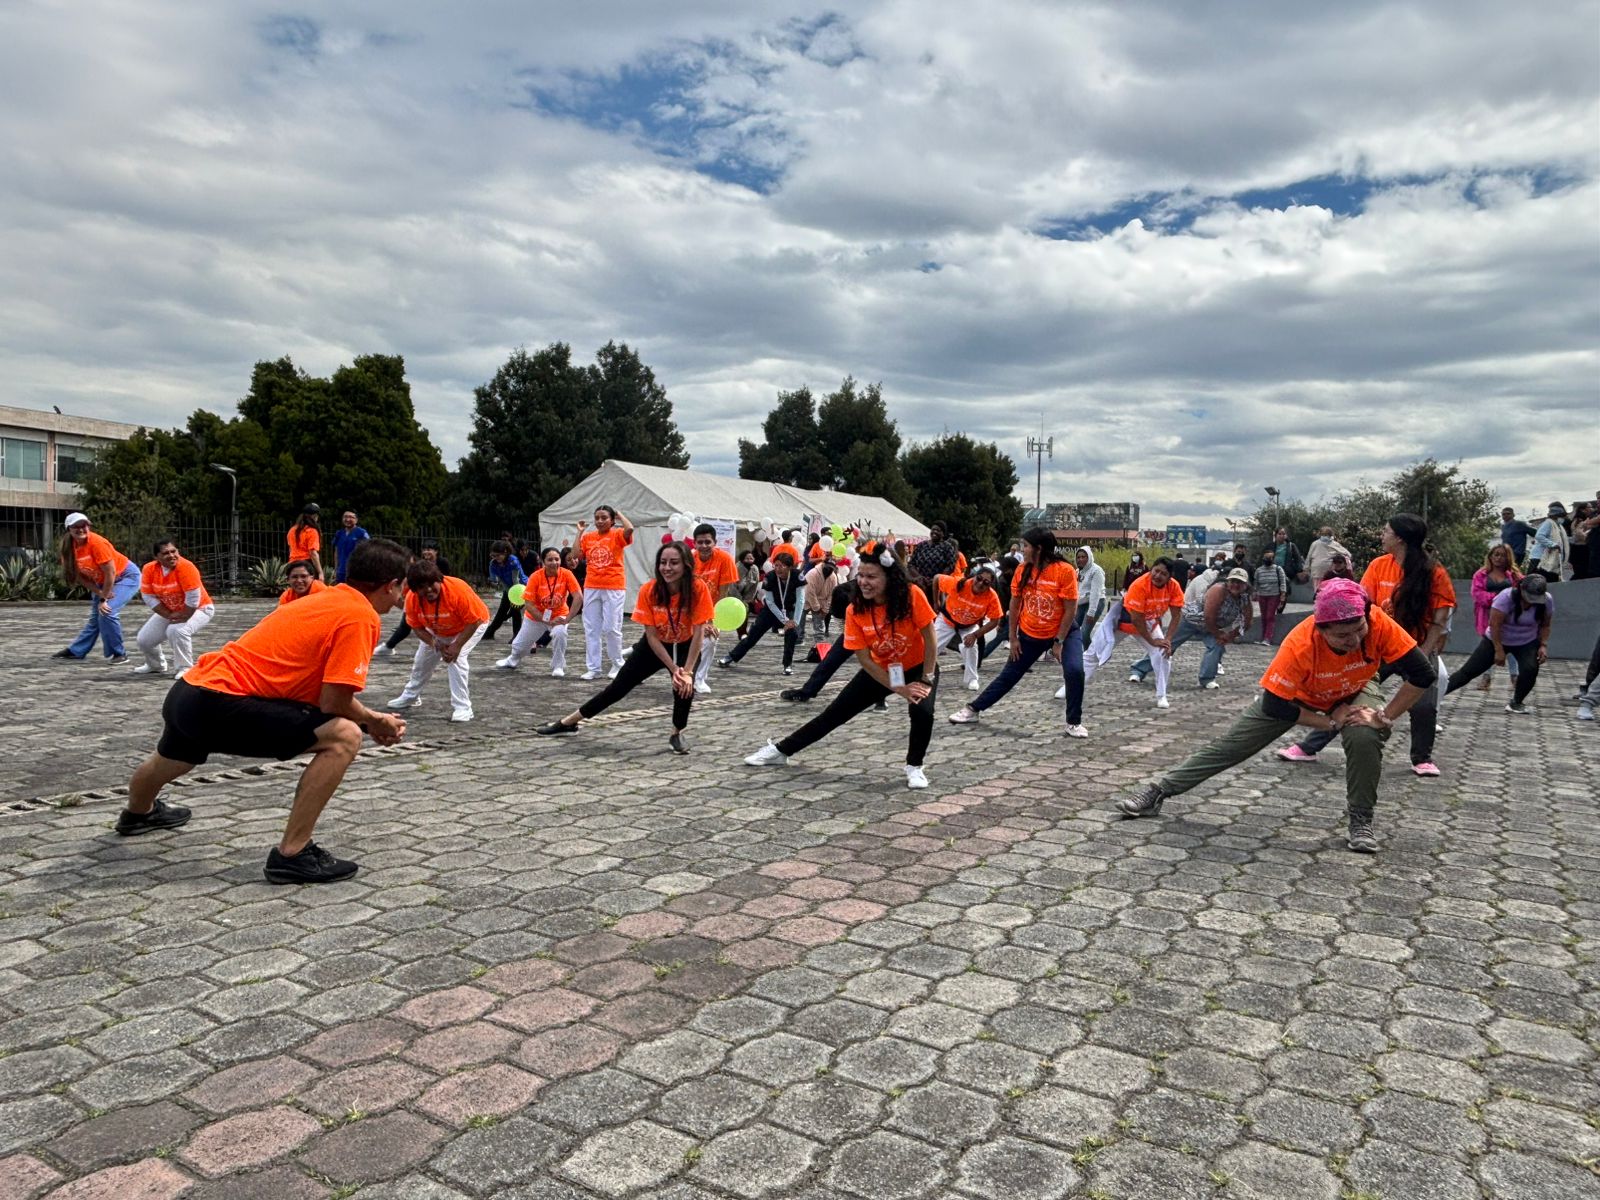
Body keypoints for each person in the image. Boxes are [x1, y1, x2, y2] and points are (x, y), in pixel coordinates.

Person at [118, 538, 411, 884]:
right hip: (220, 703)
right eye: (404, 587)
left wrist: (364, 717)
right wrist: (375, 720)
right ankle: (293, 854)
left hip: (190, 692)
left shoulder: (324, 598)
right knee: (343, 736)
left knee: (175, 756)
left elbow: (319, 692)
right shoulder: (360, 615)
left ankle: (138, 814)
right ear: (391, 585)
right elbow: (334, 702)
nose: (403, 596)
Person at [1118, 578, 1436, 853]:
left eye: (1358, 630)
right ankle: (1159, 791)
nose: (1353, 641)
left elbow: (1421, 674)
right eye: (1342, 636)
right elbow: (1275, 706)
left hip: (1355, 687)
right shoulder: (1299, 644)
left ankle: (1361, 820)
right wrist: (1330, 721)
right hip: (1298, 698)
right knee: (1232, 745)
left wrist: (1383, 716)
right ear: (1320, 628)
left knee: (1364, 735)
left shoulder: (1377, 622)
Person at [745, 542, 940, 788]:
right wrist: (900, 688)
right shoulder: (855, 610)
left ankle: (914, 767)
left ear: (889, 578)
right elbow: (865, 659)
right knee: (834, 713)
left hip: (920, 666)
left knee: (923, 712)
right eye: (861, 576)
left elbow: (930, 636)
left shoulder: (911, 595)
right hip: (883, 668)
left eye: (872, 577)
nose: (864, 582)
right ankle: (780, 751)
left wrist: (926, 677)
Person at [1280, 512, 1454, 776]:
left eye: (1385, 531)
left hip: (1416, 647)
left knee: (1425, 704)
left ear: (1399, 538)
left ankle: (1422, 759)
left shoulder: (1433, 572)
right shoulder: (1379, 565)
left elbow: (1440, 618)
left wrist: (1425, 651)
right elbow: (1362, 606)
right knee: (1349, 694)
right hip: (1379, 646)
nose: (1381, 536)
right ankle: (1308, 747)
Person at [537, 542, 712, 755]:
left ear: (686, 565)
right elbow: (651, 636)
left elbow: (699, 632)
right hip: (654, 646)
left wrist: (687, 672)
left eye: (674, 563)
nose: (667, 568)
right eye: (663, 563)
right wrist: (674, 669)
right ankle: (569, 722)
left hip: (686, 644)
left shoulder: (697, 588)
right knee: (618, 687)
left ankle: (677, 732)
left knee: (685, 689)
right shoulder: (650, 589)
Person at [948, 528, 1086, 736]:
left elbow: (1070, 609)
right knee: (1009, 675)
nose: (1023, 549)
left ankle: (1073, 722)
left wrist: (1059, 642)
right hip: (1031, 634)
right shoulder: (1023, 570)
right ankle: (973, 709)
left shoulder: (1064, 571)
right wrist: (1013, 638)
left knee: (1075, 671)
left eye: (1026, 546)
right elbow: (1015, 604)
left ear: (1039, 549)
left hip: (1064, 632)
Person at [386, 560, 490, 722]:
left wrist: (456, 646)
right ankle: (411, 696)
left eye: (431, 584)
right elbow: (417, 627)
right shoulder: (412, 600)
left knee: (456, 659)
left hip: (470, 625)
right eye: (421, 587)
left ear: (439, 579)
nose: (428, 590)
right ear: (414, 590)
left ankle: (463, 707)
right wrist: (434, 643)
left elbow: (473, 622)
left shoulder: (457, 590)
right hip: (437, 630)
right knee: (421, 661)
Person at [1129, 566, 1252, 691]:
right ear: (1227, 581)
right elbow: (1208, 616)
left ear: (1246, 585)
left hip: (1212, 627)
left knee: (1216, 647)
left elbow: (1247, 621)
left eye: (1240, 582)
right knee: (1167, 644)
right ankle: (1139, 670)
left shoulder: (1245, 598)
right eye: (1233, 581)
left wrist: (1230, 636)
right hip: (1191, 621)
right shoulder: (1218, 589)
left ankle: (1207, 679)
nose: (1235, 585)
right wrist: (1218, 634)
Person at [1444, 574, 1552, 714]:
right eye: (1528, 597)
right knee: (1469, 671)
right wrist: (1498, 650)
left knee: (1530, 669)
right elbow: (1494, 624)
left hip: (1527, 641)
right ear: (1521, 589)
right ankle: (1434, 695)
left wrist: (1543, 645)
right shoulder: (1506, 597)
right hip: (1497, 638)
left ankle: (1516, 702)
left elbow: (1545, 625)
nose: (1531, 602)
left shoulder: (1546, 601)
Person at [1087, 556, 1185, 709]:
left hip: (1149, 622)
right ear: (1150, 570)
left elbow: (1176, 615)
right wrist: (1152, 642)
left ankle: (1162, 695)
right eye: (1156, 571)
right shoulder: (1140, 585)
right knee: (1093, 653)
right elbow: (1136, 619)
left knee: (1163, 653)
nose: (1158, 576)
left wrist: (1168, 639)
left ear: (1169, 577)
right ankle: (1069, 687)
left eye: (1163, 574)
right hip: (1124, 621)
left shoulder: (1174, 587)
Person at [51, 513, 141, 665]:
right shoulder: (68, 548)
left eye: (84, 525)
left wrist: (103, 599)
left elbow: (110, 572)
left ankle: (119, 653)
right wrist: (99, 592)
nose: (81, 529)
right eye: (76, 527)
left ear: (89, 526)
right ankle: (77, 651)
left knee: (107, 611)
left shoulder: (97, 543)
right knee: (96, 619)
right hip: (101, 582)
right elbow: (79, 576)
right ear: (69, 529)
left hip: (125, 576)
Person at [135, 539, 215, 677]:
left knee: (177, 630)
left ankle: (185, 668)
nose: (172, 555)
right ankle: (156, 665)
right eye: (165, 553)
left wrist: (183, 616)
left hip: (200, 609)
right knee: (144, 640)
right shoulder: (149, 569)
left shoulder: (186, 567)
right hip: (171, 610)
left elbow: (193, 598)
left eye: (174, 551)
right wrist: (168, 614)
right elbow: (148, 596)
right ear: (156, 557)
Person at [496, 548, 582, 675]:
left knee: (560, 633)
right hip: (535, 617)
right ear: (543, 561)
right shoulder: (535, 577)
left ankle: (558, 666)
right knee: (519, 646)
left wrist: (567, 619)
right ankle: (513, 659)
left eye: (557, 559)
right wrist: (545, 619)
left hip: (559, 616)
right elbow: (529, 604)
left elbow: (578, 597)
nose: (554, 563)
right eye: (550, 560)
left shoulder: (567, 574)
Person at [575, 506, 635, 681]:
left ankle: (618, 663)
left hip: (613, 587)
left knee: (611, 628)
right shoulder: (589, 537)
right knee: (591, 629)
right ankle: (594, 668)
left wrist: (620, 514)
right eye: (597, 518)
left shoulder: (617, 534)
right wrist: (579, 533)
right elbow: (576, 555)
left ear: (612, 520)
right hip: (592, 586)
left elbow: (630, 529)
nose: (600, 521)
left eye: (604, 518)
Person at [720, 551, 803, 675]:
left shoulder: (798, 576)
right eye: (776, 565)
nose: (778, 569)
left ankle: (787, 665)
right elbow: (769, 601)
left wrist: (794, 621)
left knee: (792, 634)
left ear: (790, 567)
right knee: (753, 635)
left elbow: (801, 599)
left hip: (789, 609)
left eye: (782, 566)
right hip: (770, 611)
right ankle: (731, 656)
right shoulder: (770, 577)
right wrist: (785, 621)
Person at [931, 563, 1005, 692]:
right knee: (932, 646)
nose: (981, 583)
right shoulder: (960, 583)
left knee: (971, 646)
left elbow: (995, 620)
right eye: (979, 578)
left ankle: (972, 678)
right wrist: (936, 602)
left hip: (969, 625)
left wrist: (975, 635)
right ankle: (922, 673)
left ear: (990, 585)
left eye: (986, 582)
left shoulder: (992, 597)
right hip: (947, 620)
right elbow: (937, 578)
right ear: (975, 576)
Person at [689, 524, 740, 695]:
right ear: (694, 544)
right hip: (689, 610)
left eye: (707, 542)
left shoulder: (724, 559)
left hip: (712, 610)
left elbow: (723, 594)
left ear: (715, 542)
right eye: (700, 542)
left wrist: (711, 621)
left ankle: (699, 679)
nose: (704, 546)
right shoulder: (688, 559)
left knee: (710, 641)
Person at [1469, 545, 1522, 692]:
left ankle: (1515, 677)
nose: (1498, 558)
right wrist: (1498, 598)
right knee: (1490, 645)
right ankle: (1486, 677)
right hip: (1488, 614)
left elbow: (1522, 590)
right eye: (1496, 555)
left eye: (1502, 555)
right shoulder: (1481, 575)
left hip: (1509, 615)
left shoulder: (1513, 574)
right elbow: (1477, 594)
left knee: (1511, 646)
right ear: (1490, 556)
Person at [483, 540, 529, 642]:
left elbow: (516, 580)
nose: (496, 558)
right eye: (494, 555)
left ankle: (517, 635)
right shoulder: (493, 565)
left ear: (505, 552)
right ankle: (489, 632)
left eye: (498, 555)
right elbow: (500, 581)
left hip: (521, 587)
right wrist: (508, 592)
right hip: (508, 588)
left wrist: (516, 597)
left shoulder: (513, 561)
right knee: (502, 611)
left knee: (515, 611)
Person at [1253, 549, 1291, 644]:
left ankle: (1268, 638)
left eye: (1270, 557)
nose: (1268, 559)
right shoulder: (1259, 570)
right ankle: (1262, 637)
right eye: (1266, 557)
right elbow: (1256, 583)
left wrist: (1282, 595)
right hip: (1262, 595)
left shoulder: (1278, 569)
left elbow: (1283, 583)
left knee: (1270, 616)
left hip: (1274, 595)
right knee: (1263, 617)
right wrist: (1254, 593)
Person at [1528, 502, 1570, 583]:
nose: (1562, 518)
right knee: (1535, 581)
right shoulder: (1549, 523)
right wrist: (1552, 544)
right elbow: (1539, 536)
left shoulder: (1559, 526)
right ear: (1555, 515)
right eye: (1560, 516)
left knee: (1550, 580)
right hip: (1540, 558)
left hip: (1550, 559)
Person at [1075, 547, 1106, 650]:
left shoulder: (1096, 571)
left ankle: (1089, 653)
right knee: (1072, 628)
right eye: (1078, 557)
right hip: (1081, 602)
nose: (1080, 559)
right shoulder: (1077, 571)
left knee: (1084, 632)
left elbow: (1095, 593)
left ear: (1089, 557)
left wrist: (1091, 612)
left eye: (1083, 557)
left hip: (1096, 602)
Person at [804, 560, 841, 640]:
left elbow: (832, 594)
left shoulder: (833, 577)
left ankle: (819, 639)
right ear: (823, 564)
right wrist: (816, 607)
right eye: (827, 567)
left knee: (819, 625)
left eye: (831, 568)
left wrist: (825, 609)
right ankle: (798, 638)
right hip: (806, 599)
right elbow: (809, 592)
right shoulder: (812, 573)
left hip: (822, 601)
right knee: (800, 620)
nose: (829, 570)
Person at [286, 504, 323, 579]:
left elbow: (290, 549)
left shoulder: (292, 530)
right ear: (315, 516)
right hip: (306, 565)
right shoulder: (312, 531)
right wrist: (320, 572)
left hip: (292, 564)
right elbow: (313, 553)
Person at [332, 511, 369, 583]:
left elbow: (367, 551)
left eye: (351, 517)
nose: (347, 519)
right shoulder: (339, 533)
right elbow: (336, 552)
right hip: (341, 571)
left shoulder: (362, 533)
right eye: (345, 517)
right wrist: (336, 569)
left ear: (356, 520)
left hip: (355, 571)